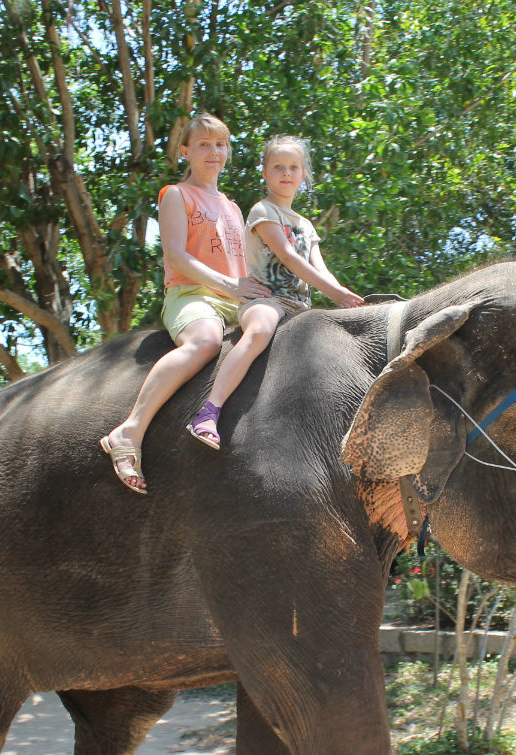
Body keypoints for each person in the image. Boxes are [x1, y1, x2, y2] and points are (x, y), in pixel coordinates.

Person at [99, 113, 270, 494]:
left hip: (232, 298)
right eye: (204, 145)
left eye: (220, 144)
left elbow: (243, 267)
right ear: (185, 151)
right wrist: (229, 284)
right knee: (206, 342)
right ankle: (130, 431)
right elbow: (176, 256)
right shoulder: (176, 195)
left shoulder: (233, 207)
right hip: (191, 294)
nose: (214, 152)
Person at [185, 135, 364, 449]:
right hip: (267, 299)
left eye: (294, 167)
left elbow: (320, 269)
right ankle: (209, 410)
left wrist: (345, 296)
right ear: (265, 172)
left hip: (300, 306)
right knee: (259, 331)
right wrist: (335, 294)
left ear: (303, 175)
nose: (287, 173)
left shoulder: (306, 225)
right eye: (278, 166)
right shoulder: (262, 211)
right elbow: (287, 257)